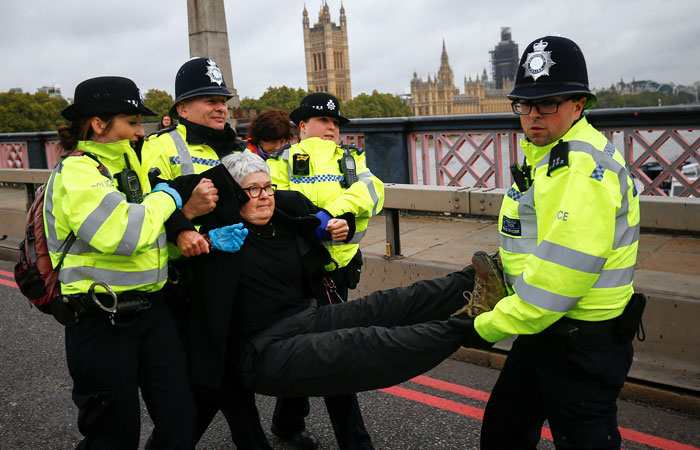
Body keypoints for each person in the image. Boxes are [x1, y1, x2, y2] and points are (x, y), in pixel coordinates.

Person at [162, 151, 490, 400]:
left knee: (388, 303)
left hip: (308, 318)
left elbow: (319, 220)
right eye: (253, 190)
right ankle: (471, 326)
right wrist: (186, 230)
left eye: (268, 187)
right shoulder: (218, 238)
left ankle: (479, 278)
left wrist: (339, 225)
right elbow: (167, 196)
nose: (264, 196)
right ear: (234, 195)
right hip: (264, 349)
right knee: (367, 343)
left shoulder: (284, 217)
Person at [472, 36, 642, 449]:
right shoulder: (549, 153)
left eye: (548, 103)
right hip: (544, 324)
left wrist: (483, 326)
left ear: (578, 105)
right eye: (524, 104)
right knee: (504, 432)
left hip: (582, 338)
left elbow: (560, 276)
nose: (533, 115)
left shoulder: (583, 170)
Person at [43, 76, 215, 449]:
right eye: (132, 122)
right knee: (113, 435)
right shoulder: (78, 172)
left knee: (181, 418)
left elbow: (149, 241)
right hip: (99, 317)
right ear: (98, 124)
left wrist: (187, 237)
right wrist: (170, 196)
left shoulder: (130, 167)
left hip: (152, 311)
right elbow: (123, 235)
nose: (141, 132)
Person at [141, 57, 272, 450]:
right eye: (210, 100)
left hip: (233, 281)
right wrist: (183, 224)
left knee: (222, 380)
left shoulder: (239, 147)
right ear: (182, 108)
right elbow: (146, 206)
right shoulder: (160, 147)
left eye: (223, 101)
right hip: (187, 284)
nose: (221, 108)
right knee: (213, 382)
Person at [267, 93, 384, 450]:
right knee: (325, 353)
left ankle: (287, 422)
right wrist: (314, 223)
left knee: (317, 348)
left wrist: (337, 213)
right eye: (323, 120)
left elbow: (373, 192)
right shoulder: (282, 160)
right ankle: (353, 442)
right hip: (299, 274)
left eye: (335, 122)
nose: (332, 127)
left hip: (337, 274)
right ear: (302, 126)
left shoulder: (350, 159)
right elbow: (273, 204)